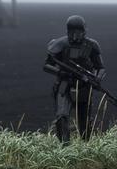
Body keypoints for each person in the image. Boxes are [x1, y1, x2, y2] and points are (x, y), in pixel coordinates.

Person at [43, 15, 105, 144]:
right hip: (65, 85)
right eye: (72, 32)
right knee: (62, 116)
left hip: (84, 86)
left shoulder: (91, 45)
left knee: (84, 122)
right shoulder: (61, 44)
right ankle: (65, 147)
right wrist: (61, 72)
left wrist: (97, 79)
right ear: (68, 31)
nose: (75, 36)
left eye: (78, 32)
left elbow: (101, 67)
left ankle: (85, 148)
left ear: (84, 31)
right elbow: (47, 65)